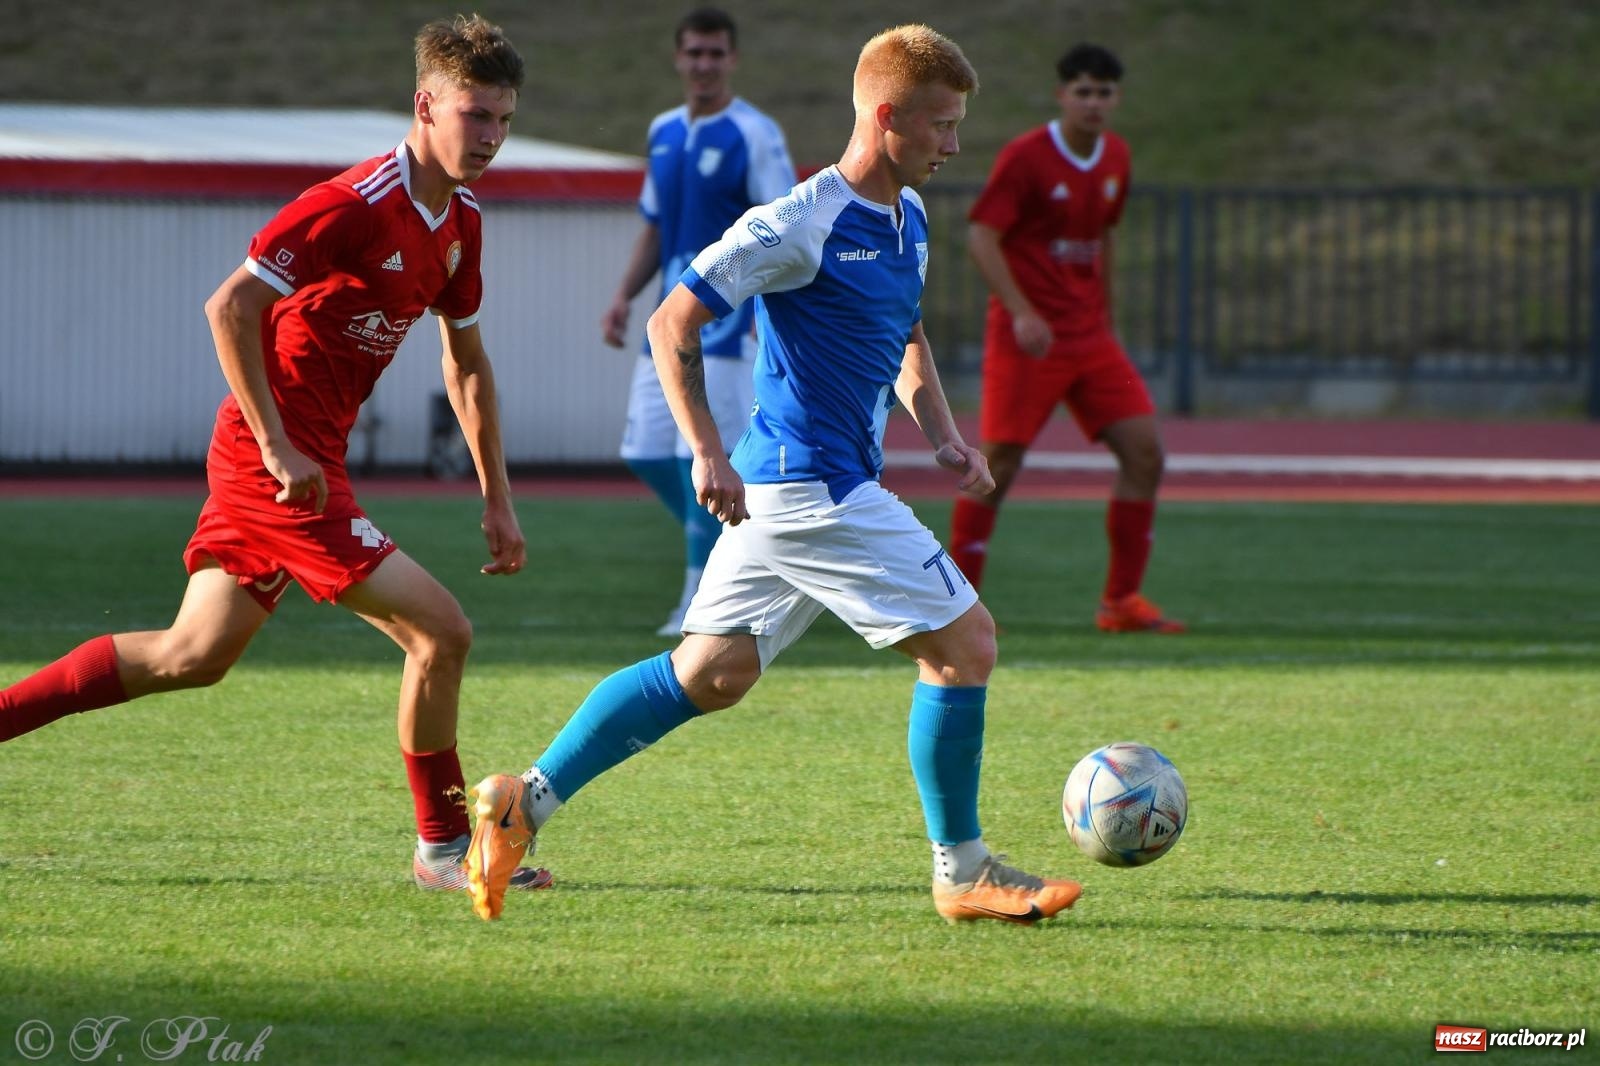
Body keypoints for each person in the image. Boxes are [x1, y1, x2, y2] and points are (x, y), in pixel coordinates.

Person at [465, 24, 1082, 926]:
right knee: (966, 645)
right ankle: (965, 870)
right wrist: (704, 450)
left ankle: (526, 801)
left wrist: (944, 431)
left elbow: (901, 333)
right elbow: (671, 323)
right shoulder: (799, 222)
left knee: (709, 673)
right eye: (943, 126)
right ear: (886, 117)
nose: (955, 146)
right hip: (810, 489)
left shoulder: (907, 217)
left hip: (796, 488)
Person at [0, 15, 550, 894]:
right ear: (426, 104)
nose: (489, 137)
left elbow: (468, 366)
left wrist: (497, 497)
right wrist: (276, 444)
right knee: (442, 631)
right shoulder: (350, 205)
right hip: (278, 466)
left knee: (193, 653)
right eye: (474, 115)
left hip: (304, 460)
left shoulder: (462, 224)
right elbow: (229, 308)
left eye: (503, 120)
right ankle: (445, 851)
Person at [947, 43, 1184, 633]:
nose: (1094, 103)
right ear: (1062, 96)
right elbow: (982, 235)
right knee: (995, 466)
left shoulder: (1116, 158)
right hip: (1027, 337)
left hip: (1089, 337)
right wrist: (1022, 310)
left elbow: (1103, 237)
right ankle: (948, 607)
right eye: (1083, 91)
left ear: (1116, 99)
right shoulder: (1027, 157)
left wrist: (1108, 320)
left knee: (1145, 453)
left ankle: (1121, 603)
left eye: (1104, 93)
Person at [599, 6, 797, 637]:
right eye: (694, 53)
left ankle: (695, 596)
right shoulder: (663, 131)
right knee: (644, 450)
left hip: (729, 327)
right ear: (679, 58)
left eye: (716, 53)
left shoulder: (754, 132)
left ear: (732, 59)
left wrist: (771, 316)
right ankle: (734, 548)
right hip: (668, 321)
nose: (704, 64)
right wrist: (624, 297)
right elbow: (656, 226)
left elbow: (783, 227)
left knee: (708, 459)